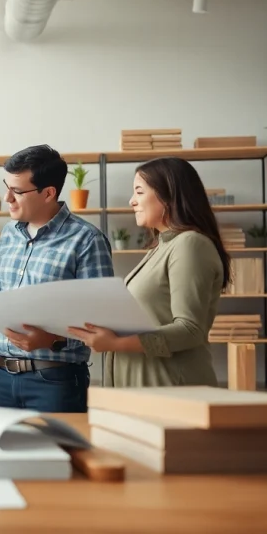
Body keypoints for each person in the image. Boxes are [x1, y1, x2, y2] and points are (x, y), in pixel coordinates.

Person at [0, 144, 114, 413]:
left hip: (54, 382)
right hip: (0, 378)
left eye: (17, 191)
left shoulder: (86, 240)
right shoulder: (8, 233)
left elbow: (101, 325)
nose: (7, 198)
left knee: (57, 455)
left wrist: (49, 340)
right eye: (6, 187)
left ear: (48, 193)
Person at [66, 157, 227, 388]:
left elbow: (191, 330)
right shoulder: (162, 246)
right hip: (140, 384)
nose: (132, 201)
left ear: (168, 195)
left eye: (139, 192)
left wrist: (115, 343)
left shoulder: (190, 244)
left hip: (169, 387)